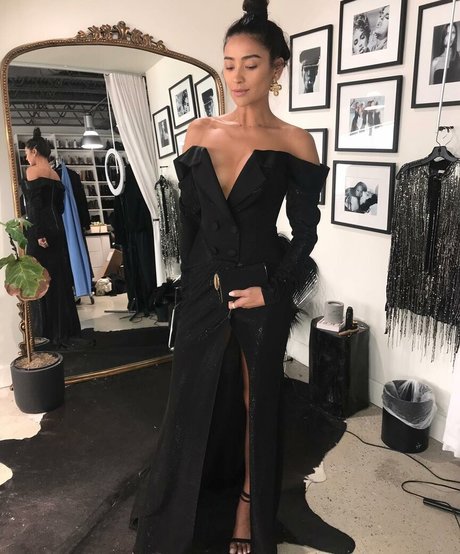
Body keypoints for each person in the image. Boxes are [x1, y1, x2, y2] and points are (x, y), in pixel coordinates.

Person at [131, 1, 332, 554]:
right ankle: (180, 502)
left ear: (277, 68)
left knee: (254, 399)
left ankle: (248, 505)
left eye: (251, 64)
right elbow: (190, 223)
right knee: (190, 395)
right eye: (228, 64)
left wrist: (274, 290)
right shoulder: (199, 132)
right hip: (203, 288)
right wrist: (187, 289)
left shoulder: (295, 142)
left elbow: (306, 234)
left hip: (261, 289)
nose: (237, 77)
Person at [21, 128, 81, 346]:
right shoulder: (55, 175)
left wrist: (38, 233)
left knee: (40, 279)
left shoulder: (32, 171)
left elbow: (35, 207)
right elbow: (59, 208)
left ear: (34, 151)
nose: (26, 158)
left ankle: (44, 331)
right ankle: (62, 329)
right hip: (57, 232)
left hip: (40, 233)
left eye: (27, 153)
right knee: (58, 279)